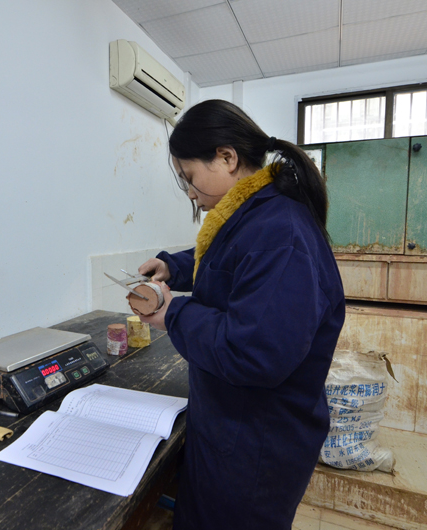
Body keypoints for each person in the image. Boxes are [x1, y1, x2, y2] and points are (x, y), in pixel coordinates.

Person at [137, 99, 345, 530]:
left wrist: (173, 313)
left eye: (189, 177)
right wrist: (173, 268)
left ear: (227, 158)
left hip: (257, 444)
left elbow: (253, 351)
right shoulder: (254, 215)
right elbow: (226, 259)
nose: (190, 192)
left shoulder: (281, 232)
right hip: (230, 424)